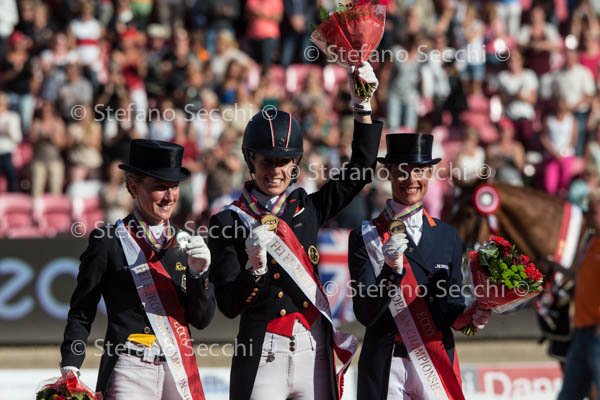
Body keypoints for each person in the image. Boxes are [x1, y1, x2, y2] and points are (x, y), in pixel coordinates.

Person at [208, 62, 381, 400]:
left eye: (283, 162)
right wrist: (253, 268)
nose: (275, 171)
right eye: (266, 161)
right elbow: (228, 304)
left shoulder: (308, 208)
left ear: (295, 164)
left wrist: (362, 106)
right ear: (250, 161)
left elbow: (360, 171)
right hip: (263, 352)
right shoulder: (227, 222)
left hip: (312, 348)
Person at [60, 139, 216, 399]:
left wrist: (198, 275)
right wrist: (71, 363)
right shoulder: (108, 241)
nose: (170, 197)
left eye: (174, 187)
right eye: (160, 187)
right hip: (129, 367)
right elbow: (82, 309)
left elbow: (202, 320)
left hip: (178, 365)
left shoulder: (188, 243)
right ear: (133, 187)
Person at [348, 133, 491, 399]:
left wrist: (471, 316)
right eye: (402, 171)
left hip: (433, 362)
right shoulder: (364, 236)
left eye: (419, 170)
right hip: (385, 365)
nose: (411, 179)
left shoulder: (448, 236)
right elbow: (365, 313)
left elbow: (451, 307)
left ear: (430, 173)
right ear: (389, 173)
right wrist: (391, 271)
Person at [557, 188, 600, 400]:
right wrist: (552, 268)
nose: (589, 216)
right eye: (588, 211)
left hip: (597, 333)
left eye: (594, 212)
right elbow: (580, 276)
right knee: (569, 395)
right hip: (582, 332)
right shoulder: (590, 242)